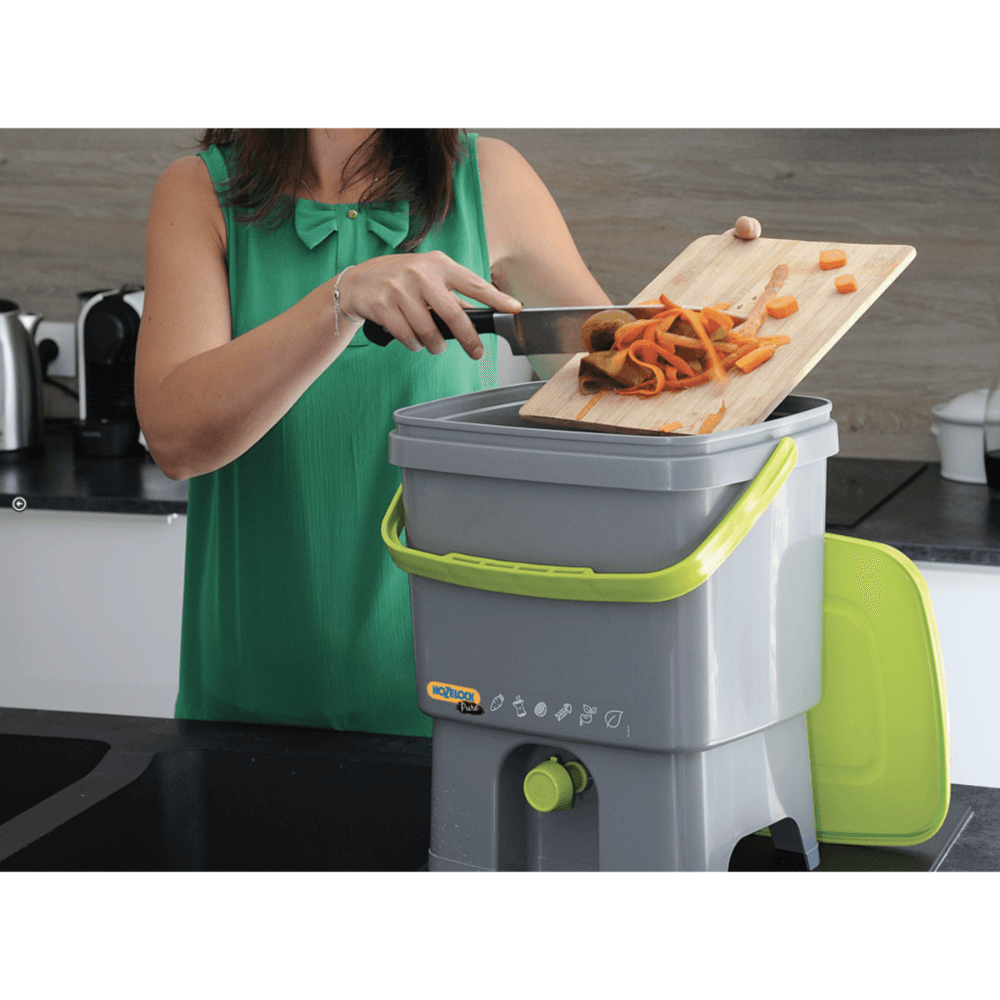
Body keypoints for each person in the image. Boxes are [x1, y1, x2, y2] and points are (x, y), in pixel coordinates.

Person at [135, 128, 612, 737]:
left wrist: (717, 312)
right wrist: (340, 300)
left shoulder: (490, 178)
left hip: (455, 700)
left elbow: (614, 383)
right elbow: (175, 440)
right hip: (245, 702)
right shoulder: (198, 189)